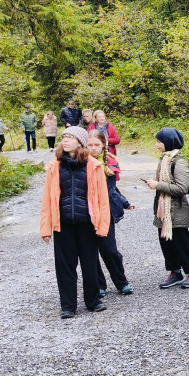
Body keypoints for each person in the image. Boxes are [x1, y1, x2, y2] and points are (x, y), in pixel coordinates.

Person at [40, 126, 111, 318]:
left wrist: (103, 226)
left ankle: (93, 301)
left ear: (80, 143)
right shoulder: (54, 166)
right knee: (64, 267)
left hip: (87, 224)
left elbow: (103, 200)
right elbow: (47, 199)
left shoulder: (94, 166)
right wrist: (45, 227)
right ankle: (68, 306)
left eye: (70, 137)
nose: (65, 140)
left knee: (90, 265)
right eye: (64, 137)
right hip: (63, 225)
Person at [144, 128, 189, 289]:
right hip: (163, 209)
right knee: (166, 242)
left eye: (159, 142)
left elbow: (182, 188)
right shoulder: (164, 159)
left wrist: (158, 185)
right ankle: (175, 272)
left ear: (168, 142)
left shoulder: (179, 162)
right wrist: (155, 184)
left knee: (181, 243)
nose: (156, 145)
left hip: (177, 210)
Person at [87, 129, 134, 297]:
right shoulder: (81, 163)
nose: (93, 148)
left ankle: (122, 282)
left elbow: (112, 189)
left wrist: (124, 202)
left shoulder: (110, 162)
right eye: (90, 145)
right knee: (90, 252)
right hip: (87, 212)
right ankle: (99, 285)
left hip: (106, 211)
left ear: (104, 145)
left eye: (96, 145)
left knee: (109, 250)